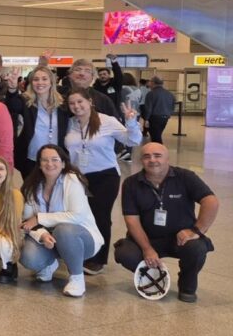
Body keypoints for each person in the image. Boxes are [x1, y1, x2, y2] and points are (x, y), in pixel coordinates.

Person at [114, 143, 219, 303]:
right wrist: (147, 249)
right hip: (147, 238)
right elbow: (131, 220)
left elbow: (211, 201)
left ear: (168, 159)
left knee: (197, 248)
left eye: (157, 155)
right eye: (147, 156)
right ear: (141, 160)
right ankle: (153, 275)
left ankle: (187, 285)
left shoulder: (185, 177)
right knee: (124, 253)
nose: (152, 160)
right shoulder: (131, 183)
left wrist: (196, 231)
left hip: (180, 238)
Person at [64, 87, 142, 275]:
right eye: (72, 103)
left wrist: (131, 122)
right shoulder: (70, 124)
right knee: (79, 215)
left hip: (105, 176)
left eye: (80, 102)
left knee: (100, 216)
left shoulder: (107, 121)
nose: (76, 106)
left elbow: (133, 141)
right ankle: (83, 251)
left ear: (90, 101)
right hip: (78, 177)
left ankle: (98, 259)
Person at [19, 145, 103, 298]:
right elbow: (26, 221)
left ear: (63, 163)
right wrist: (42, 234)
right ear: (39, 164)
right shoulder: (33, 185)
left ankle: (77, 279)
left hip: (80, 238)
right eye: (44, 160)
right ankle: (50, 264)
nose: (49, 164)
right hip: (48, 239)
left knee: (64, 230)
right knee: (28, 258)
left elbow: (76, 216)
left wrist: (40, 217)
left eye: (54, 159)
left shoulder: (72, 179)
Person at [15, 66, 68, 176]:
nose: (40, 82)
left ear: (51, 82)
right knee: (31, 192)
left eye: (44, 79)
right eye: (36, 79)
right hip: (32, 159)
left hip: (56, 159)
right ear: (31, 82)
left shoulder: (63, 104)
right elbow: (12, 104)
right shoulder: (26, 101)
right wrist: (12, 89)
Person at [143, 76, 176, 143]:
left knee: (156, 138)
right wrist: (168, 114)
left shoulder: (151, 94)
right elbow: (173, 106)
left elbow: (148, 108)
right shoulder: (170, 94)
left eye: (150, 81)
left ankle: (159, 151)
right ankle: (157, 150)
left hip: (154, 118)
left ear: (153, 83)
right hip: (165, 118)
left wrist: (146, 119)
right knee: (157, 135)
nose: (149, 83)